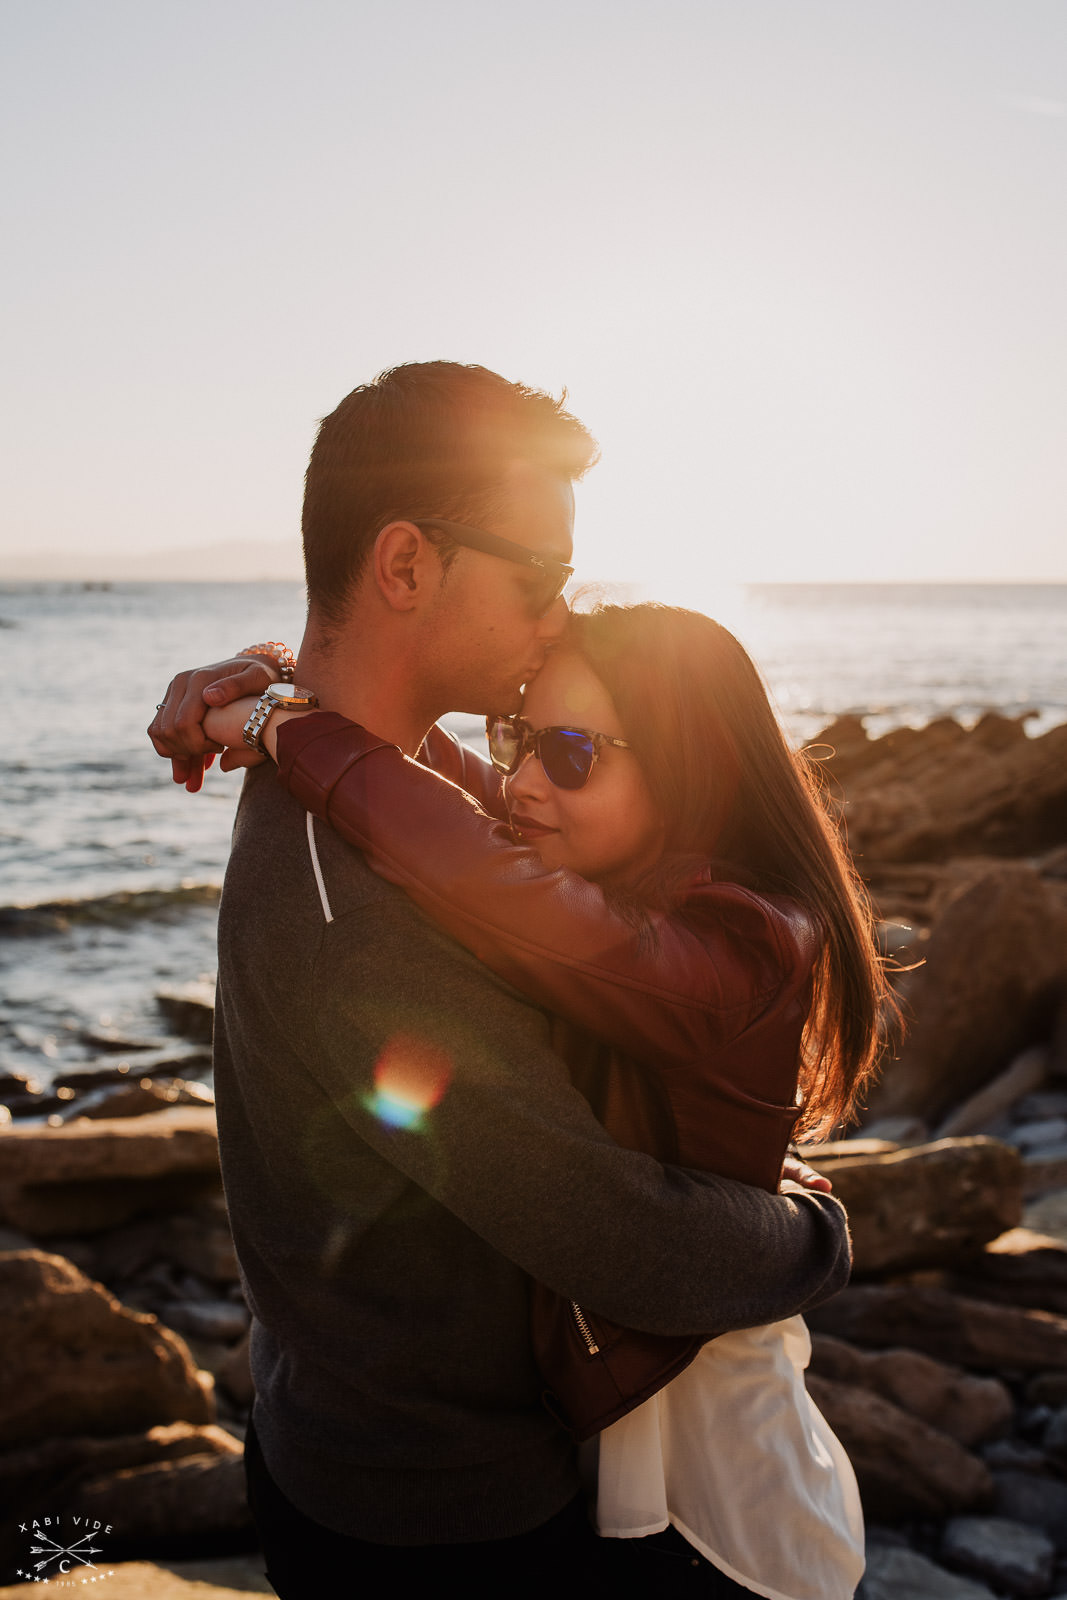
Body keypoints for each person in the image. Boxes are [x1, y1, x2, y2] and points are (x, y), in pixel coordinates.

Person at [148, 361, 853, 1595]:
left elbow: (430, 802)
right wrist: (815, 1233)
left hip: (380, 1455)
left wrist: (268, 689)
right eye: (539, 575)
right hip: (439, 1518)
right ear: (407, 563)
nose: (557, 612)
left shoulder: (381, 779)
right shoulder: (356, 918)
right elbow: (618, 1238)